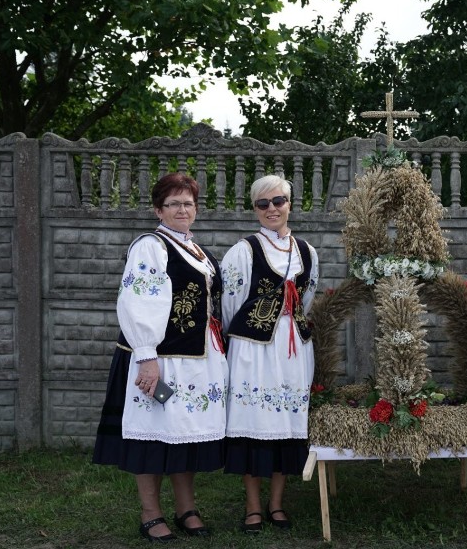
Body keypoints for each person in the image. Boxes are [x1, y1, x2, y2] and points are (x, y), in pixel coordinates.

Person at [93, 173, 229, 542]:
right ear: (159, 209)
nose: (182, 209)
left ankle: (186, 508)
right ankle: (150, 513)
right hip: (159, 358)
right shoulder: (150, 246)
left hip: (195, 361)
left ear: (196, 209)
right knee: (152, 438)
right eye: (173, 203)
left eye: (188, 203)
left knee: (184, 435)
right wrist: (147, 357)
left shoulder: (196, 250)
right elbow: (138, 301)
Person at [220, 175, 319, 533]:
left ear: (290, 203)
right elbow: (230, 306)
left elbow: (306, 299)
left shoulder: (308, 251)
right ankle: (252, 507)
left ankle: (276, 504)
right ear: (255, 209)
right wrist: (249, 333)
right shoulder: (242, 251)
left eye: (278, 201)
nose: (272, 209)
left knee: (287, 426)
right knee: (254, 424)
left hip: (294, 349)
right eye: (263, 204)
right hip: (253, 350)